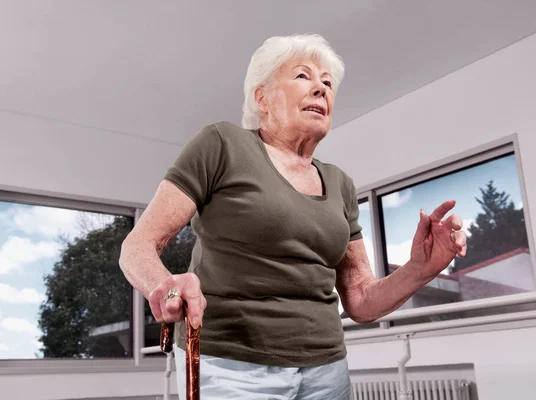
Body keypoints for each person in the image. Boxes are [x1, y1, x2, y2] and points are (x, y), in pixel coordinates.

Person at [119, 33, 467, 400]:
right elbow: (138, 245)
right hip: (231, 366)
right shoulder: (222, 144)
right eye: (303, 76)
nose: (321, 89)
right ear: (262, 97)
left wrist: (421, 269)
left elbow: (361, 300)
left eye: (328, 83)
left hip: (327, 370)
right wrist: (167, 286)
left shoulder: (341, 183)